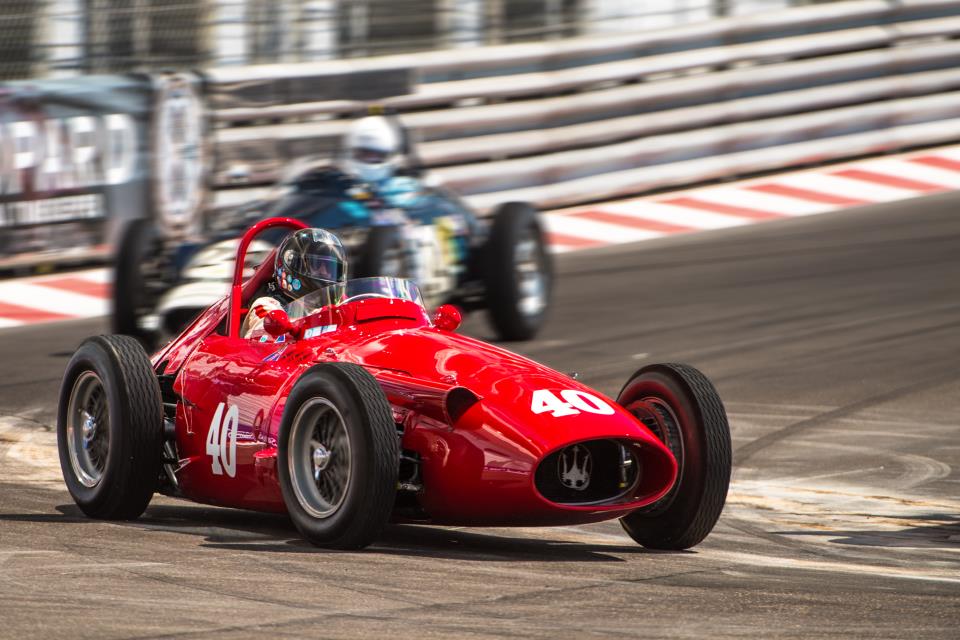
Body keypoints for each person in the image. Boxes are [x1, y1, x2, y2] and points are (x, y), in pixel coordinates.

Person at [243, 228, 347, 339]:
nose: (325, 273)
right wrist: (318, 319)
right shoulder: (266, 305)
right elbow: (262, 341)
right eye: (317, 265)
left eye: (331, 268)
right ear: (292, 263)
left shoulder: (340, 303)